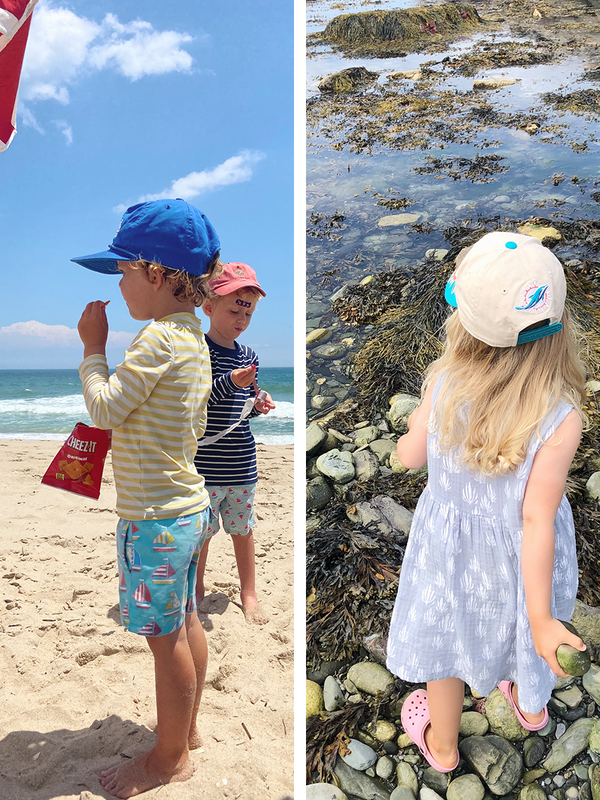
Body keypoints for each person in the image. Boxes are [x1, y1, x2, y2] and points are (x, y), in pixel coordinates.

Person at [386, 231, 588, 772]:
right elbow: (536, 517)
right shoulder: (560, 416)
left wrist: (409, 433)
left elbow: (409, 456)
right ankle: (529, 707)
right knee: (528, 625)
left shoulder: (445, 381)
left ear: (461, 317)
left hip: (452, 550)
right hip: (525, 551)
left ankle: (445, 746)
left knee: (451, 642)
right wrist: (544, 618)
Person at [72, 198, 221, 798]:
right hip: (186, 509)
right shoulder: (192, 340)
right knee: (184, 622)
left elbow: (105, 408)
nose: (120, 283)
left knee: (165, 641)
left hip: (154, 520)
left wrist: (91, 348)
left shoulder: (156, 339)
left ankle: (168, 758)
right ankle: (189, 729)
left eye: (123, 271)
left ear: (156, 274)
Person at [193, 262, 275, 625]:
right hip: (206, 466)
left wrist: (258, 404)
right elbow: (197, 402)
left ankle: (249, 592)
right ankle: (194, 591)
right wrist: (230, 382)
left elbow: (240, 410)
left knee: (243, 531)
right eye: (234, 308)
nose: (241, 318)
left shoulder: (248, 356)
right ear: (208, 307)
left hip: (242, 463)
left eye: (248, 310)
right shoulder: (198, 351)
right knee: (202, 536)